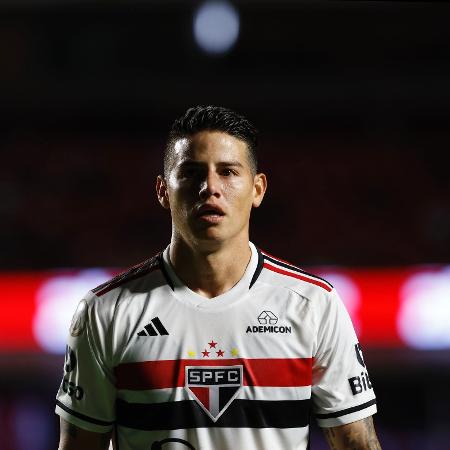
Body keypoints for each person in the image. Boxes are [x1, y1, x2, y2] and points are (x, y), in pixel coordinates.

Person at [56, 105, 381, 450]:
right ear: (163, 190)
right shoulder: (105, 311)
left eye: (227, 172)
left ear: (258, 189)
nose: (210, 187)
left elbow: (356, 442)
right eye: (192, 173)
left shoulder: (314, 304)